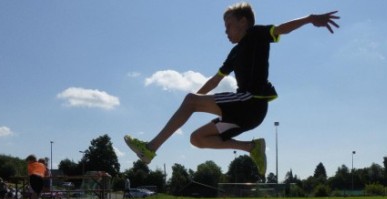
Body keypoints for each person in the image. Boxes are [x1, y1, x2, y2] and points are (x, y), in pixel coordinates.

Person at [124, 3, 339, 176]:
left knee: (191, 101)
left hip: (252, 101)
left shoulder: (256, 34)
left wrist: (310, 19)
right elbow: (215, 81)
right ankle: (251, 148)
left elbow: (281, 29)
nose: (225, 31)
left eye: (228, 25)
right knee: (197, 139)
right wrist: (193, 101)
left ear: (243, 22)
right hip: (244, 114)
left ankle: (150, 149)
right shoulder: (234, 54)